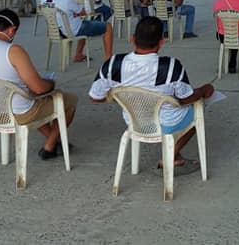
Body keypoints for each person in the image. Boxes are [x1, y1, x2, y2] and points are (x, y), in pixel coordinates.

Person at [88, 17, 215, 171]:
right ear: (161, 42)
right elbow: (186, 98)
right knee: (197, 112)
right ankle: (171, 155)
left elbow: (95, 97)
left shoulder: (113, 64)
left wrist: (125, 98)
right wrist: (203, 90)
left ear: (133, 39)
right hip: (168, 123)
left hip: (135, 121)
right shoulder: (171, 67)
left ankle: (174, 156)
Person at [0, 10, 78, 160]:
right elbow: (39, 88)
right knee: (69, 100)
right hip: (20, 113)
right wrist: (51, 83)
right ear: (12, 30)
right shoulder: (13, 51)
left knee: (29, 98)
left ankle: (55, 141)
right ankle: (49, 146)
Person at [42, 0, 114, 63]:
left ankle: (78, 54)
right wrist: (74, 13)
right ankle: (108, 58)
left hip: (56, 31)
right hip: (73, 30)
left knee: (84, 24)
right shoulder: (67, 1)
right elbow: (83, 12)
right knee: (107, 27)